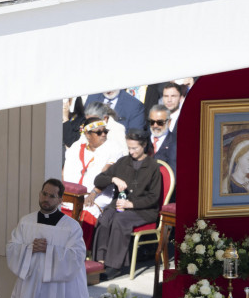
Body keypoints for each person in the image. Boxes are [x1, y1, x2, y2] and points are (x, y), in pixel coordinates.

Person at [91, 130, 163, 279]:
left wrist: (131, 204)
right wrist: (113, 179)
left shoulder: (153, 167)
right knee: (105, 217)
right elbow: (98, 180)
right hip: (119, 205)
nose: (131, 152)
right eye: (129, 148)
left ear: (144, 145)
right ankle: (100, 260)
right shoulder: (123, 162)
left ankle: (114, 265)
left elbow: (153, 197)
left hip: (144, 210)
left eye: (134, 148)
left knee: (120, 220)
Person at [63, 116, 125, 247]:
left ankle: (80, 250)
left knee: (86, 211)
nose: (103, 135)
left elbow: (107, 174)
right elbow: (64, 172)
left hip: (98, 194)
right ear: (87, 134)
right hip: (73, 193)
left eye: (105, 131)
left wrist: (93, 194)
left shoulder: (113, 148)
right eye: (99, 132)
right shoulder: (76, 147)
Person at [148, 104, 177, 170]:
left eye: (160, 122)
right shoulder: (144, 141)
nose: (155, 125)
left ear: (169, 122)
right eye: (152, 122)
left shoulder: (176, 143)